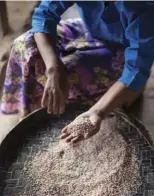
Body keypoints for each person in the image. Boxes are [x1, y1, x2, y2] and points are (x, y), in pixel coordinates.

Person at [1, 1, 154, 143]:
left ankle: (116, 98)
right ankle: (37, 114)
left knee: (74, 70)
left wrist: (97, 112)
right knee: (25, 45)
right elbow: (44, 15)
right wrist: (54, 68)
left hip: (125, 50)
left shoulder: (142, 7)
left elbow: (135, 70)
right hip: (91, 31)